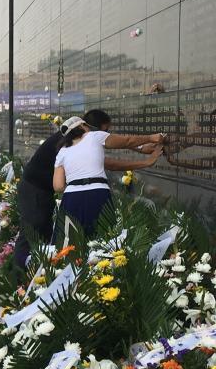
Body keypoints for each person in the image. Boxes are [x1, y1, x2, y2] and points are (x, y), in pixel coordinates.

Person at [13, 109, 163, 267]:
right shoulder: (83, 139)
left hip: (60, 194)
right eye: (105, 130)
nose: (107, 133)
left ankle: (42, 275)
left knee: (58, 237)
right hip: (35, 188)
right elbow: (116, 149)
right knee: (33, 231)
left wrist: (75, 186)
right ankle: (21, 275)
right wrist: (147, 153)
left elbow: (59, 185)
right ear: (89, 127)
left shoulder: (69, 143)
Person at [53, 114, 164, 236]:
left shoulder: (62, 151)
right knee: (102, 238)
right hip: (97, 193)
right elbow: (126, 141)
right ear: (82, 126)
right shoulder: (94, 136)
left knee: (73, 241)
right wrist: (152, 138)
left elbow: (58, 186)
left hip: (71, 198)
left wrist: (77, 187)